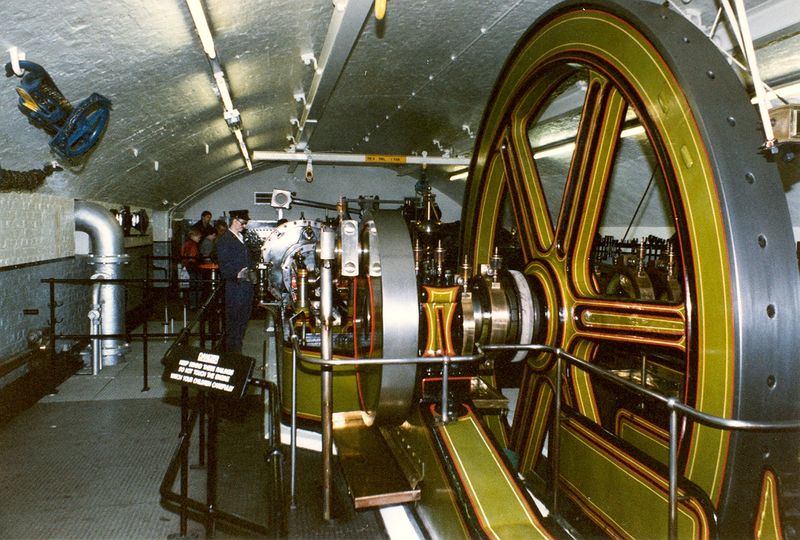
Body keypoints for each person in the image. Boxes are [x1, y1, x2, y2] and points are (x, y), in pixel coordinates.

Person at [216, 210, 254, 353]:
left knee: (242, 321)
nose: (244, 226)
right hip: (235, 287)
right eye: (243, 223)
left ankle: (237, 351)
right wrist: (237, 274)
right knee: (234, 323)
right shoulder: (225, 240)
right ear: (234, 220)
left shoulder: (240, 237)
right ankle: (232, 354)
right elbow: (224, 266)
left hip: (245, 286)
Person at [180, 227, 203, 309]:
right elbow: (193, 257)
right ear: (193, 236)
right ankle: (195, 304)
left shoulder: (186, 243)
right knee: (197, 285)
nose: (199, 239)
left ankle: (190, 303)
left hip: (187, 266)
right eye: (199, 237)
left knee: (190, 285)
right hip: (193, 266)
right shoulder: (193, 245)